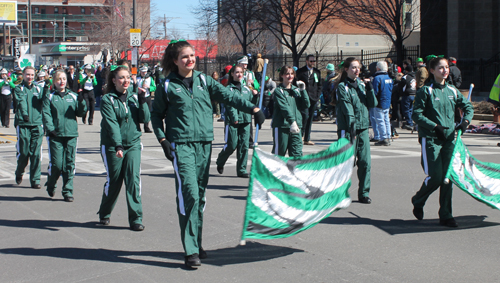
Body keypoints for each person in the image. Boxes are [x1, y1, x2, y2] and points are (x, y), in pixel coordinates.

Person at [150, 40, 265, 268]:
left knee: (200, 196)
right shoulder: (167, 86)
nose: (190, 59)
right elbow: (156, 116)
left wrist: (253, 109)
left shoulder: (204, 80)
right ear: (175, 60)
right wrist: (163, 140)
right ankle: (190, 250)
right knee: (189, 194)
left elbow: (228, 96)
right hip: (181, 146)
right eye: (184, 56)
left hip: (204, 145)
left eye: (192, 55)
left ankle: (197, 242)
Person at [411, 57, 473, 227]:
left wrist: (465, 121)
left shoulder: (452, 90)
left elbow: (468, 107)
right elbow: (416, 115)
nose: (445, 70)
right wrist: (434, 126)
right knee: (437, 176)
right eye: (440, 68)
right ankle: (418, 200)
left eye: (446, 67)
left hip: (449, 140)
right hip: (431, 139)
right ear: (432, 70)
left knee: (448, 177)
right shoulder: (426, 91)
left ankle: (446, 215)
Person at [97, 65, 150, 232]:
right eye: (121, 77)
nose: (126, 80)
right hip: (113, 145)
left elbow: (145, 118)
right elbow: (112, 124)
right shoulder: (108, 100)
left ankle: (136, 218)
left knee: (133, 180)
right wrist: (118, 144)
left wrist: (143, 102)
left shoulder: (134, 97)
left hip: (133, 143)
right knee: (115, 181)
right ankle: (105, 212)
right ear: (114, 80)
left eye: (128, 77)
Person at [336, 57, 378, 204]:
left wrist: (370, 88)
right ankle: (340, 193)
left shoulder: (361, 85)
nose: (357, 70)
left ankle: (364, 193)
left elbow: (373, 104)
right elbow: (347, 110)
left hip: (363, 129)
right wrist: (352, 127)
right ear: (346, 69)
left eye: (358, 67)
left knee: (365, 162)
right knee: (346, 163)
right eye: (353, 67)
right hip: (348, 129)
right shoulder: (343, 87)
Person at [42, 70, 87, 202]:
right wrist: (50, 129)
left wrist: (81, 102)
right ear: (54, 82)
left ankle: (68, 191)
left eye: (63, 79)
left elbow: (80, 113)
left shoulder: (72, 96)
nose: (61, 81)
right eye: (58, 79)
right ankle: (51, 183)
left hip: (71, 134)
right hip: (55, 135)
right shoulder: (50, 97)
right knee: (57, 165)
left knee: (69, 164)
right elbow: (46, 113)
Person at [215, 65, 256, 178]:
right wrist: (234, 117)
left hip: (246, 120)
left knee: (244, 146)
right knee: (231, 145)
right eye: (236, 72)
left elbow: (251, 104)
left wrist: (256, 95)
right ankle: (220, 161)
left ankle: (241, 170)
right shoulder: (229, 89)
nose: (239, 74)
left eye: (241, 72)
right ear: (232, 74)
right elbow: (229, 104)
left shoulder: (247, 89)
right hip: (233, 121)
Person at [14, 66, 45, 189]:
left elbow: (45, 100)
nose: (30, 77)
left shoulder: (39, 88)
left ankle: (35, 180)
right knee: (24, 153)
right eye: (28, 74)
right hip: (23, 124)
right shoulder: (18, 88)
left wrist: (47, 89)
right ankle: (19, 172)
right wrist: (25, 114)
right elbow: (21, 101)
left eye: (32, 75)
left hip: (37, 124)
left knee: (36, 154)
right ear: (23, 74)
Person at [272, 66, 310, 157]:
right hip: (282, 126)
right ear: (282, 75)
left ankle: (294, 171)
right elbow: (284, 107)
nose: (290, 76)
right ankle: (273, 171)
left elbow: (306, 104)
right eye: (287, 74)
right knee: (279, 154)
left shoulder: (296, 90)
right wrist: (292, 121)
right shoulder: (278, 91)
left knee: (297, 154)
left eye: (292, 74)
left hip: (296, 127)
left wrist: (303, 91)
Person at [295, 54, 321, 145]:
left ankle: (307, 138)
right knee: (304, 117)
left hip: (313, 98)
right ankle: (300, 136)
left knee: (310, 118)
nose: (313, 63)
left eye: (314, 61)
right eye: (311, 61)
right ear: (306, 61)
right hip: (303, 98)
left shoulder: (317, 72)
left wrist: (317, 96)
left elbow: (319, 85)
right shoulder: (301, 71)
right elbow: (296, 83)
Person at [371, 61, 393, 146]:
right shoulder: (388, 78)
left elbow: (375, 91)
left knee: (380, 120)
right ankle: (388, 135)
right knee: (386, 119)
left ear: (378, 68)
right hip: (387, 101)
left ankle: (383, 137)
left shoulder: (377, 78)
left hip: (379, 102)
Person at [136, 65, 156, 133]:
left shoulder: (150, 78)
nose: (144, 73)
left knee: (147, 112)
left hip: (147, 96)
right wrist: (137, 90)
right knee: (138, 111)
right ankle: (137, 127)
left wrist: (149, 87)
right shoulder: (137, 78)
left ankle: (146, 127)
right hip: (138, 96)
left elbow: (154, 87)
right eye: (143, 72)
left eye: (145, 72)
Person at [399, 65, 416, 130]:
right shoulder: (414, 76)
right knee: (410, 109)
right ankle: (411, 121)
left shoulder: (406, 77)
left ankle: (409, 123)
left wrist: (400, 93)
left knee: (406, 109)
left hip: (407, 94)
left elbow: (401, 85)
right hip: (413, 94)